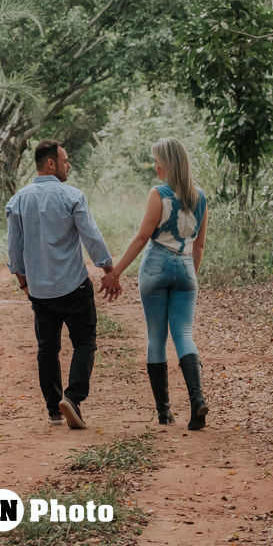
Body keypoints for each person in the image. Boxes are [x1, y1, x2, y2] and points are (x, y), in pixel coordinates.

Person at [6, 139, 121, 430]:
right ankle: (73, 396)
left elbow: (14, 248)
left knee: (47, 349)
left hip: (41, 292)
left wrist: (23, 283)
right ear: (50, 163)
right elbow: (91, 237)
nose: (68, 165)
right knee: (85, 342)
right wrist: (109, 269)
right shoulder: (73, 196)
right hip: (73, 286)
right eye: (65, 160)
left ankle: (54, 411)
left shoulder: (19, 200)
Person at [107, 137, 209, 430]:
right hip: (185, 266)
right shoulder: (200, 197)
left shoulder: (159, 194)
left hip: (155, 267)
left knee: (156, 337)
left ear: (168, 163)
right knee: (184, 334)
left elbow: (142, 237)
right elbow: (199, 245)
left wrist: (116, 272)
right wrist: (191, 274)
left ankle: (164, 412)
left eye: (157, 161)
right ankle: (197, 400)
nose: (155, 166)